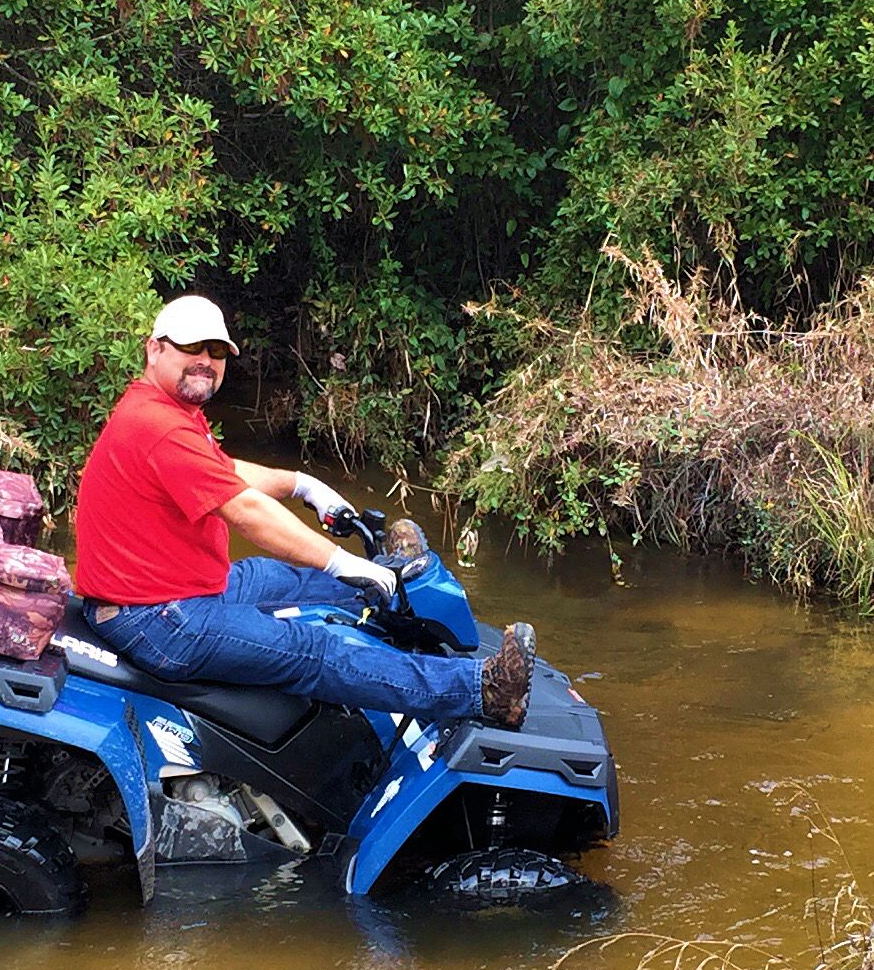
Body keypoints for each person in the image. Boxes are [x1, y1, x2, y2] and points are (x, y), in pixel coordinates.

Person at [71, 296, 533, 729]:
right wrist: (339, 559)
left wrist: (302, 485)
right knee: (315, 651)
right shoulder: (157, 425)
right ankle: (483, 692)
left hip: (180, 589)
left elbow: (224, 472)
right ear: (155, 349)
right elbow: (245, 510)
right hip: (157, 619)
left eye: (216, 351)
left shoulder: (165, 410)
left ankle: (395, 580)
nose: (206, 361)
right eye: (192, 347)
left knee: (277, 577)